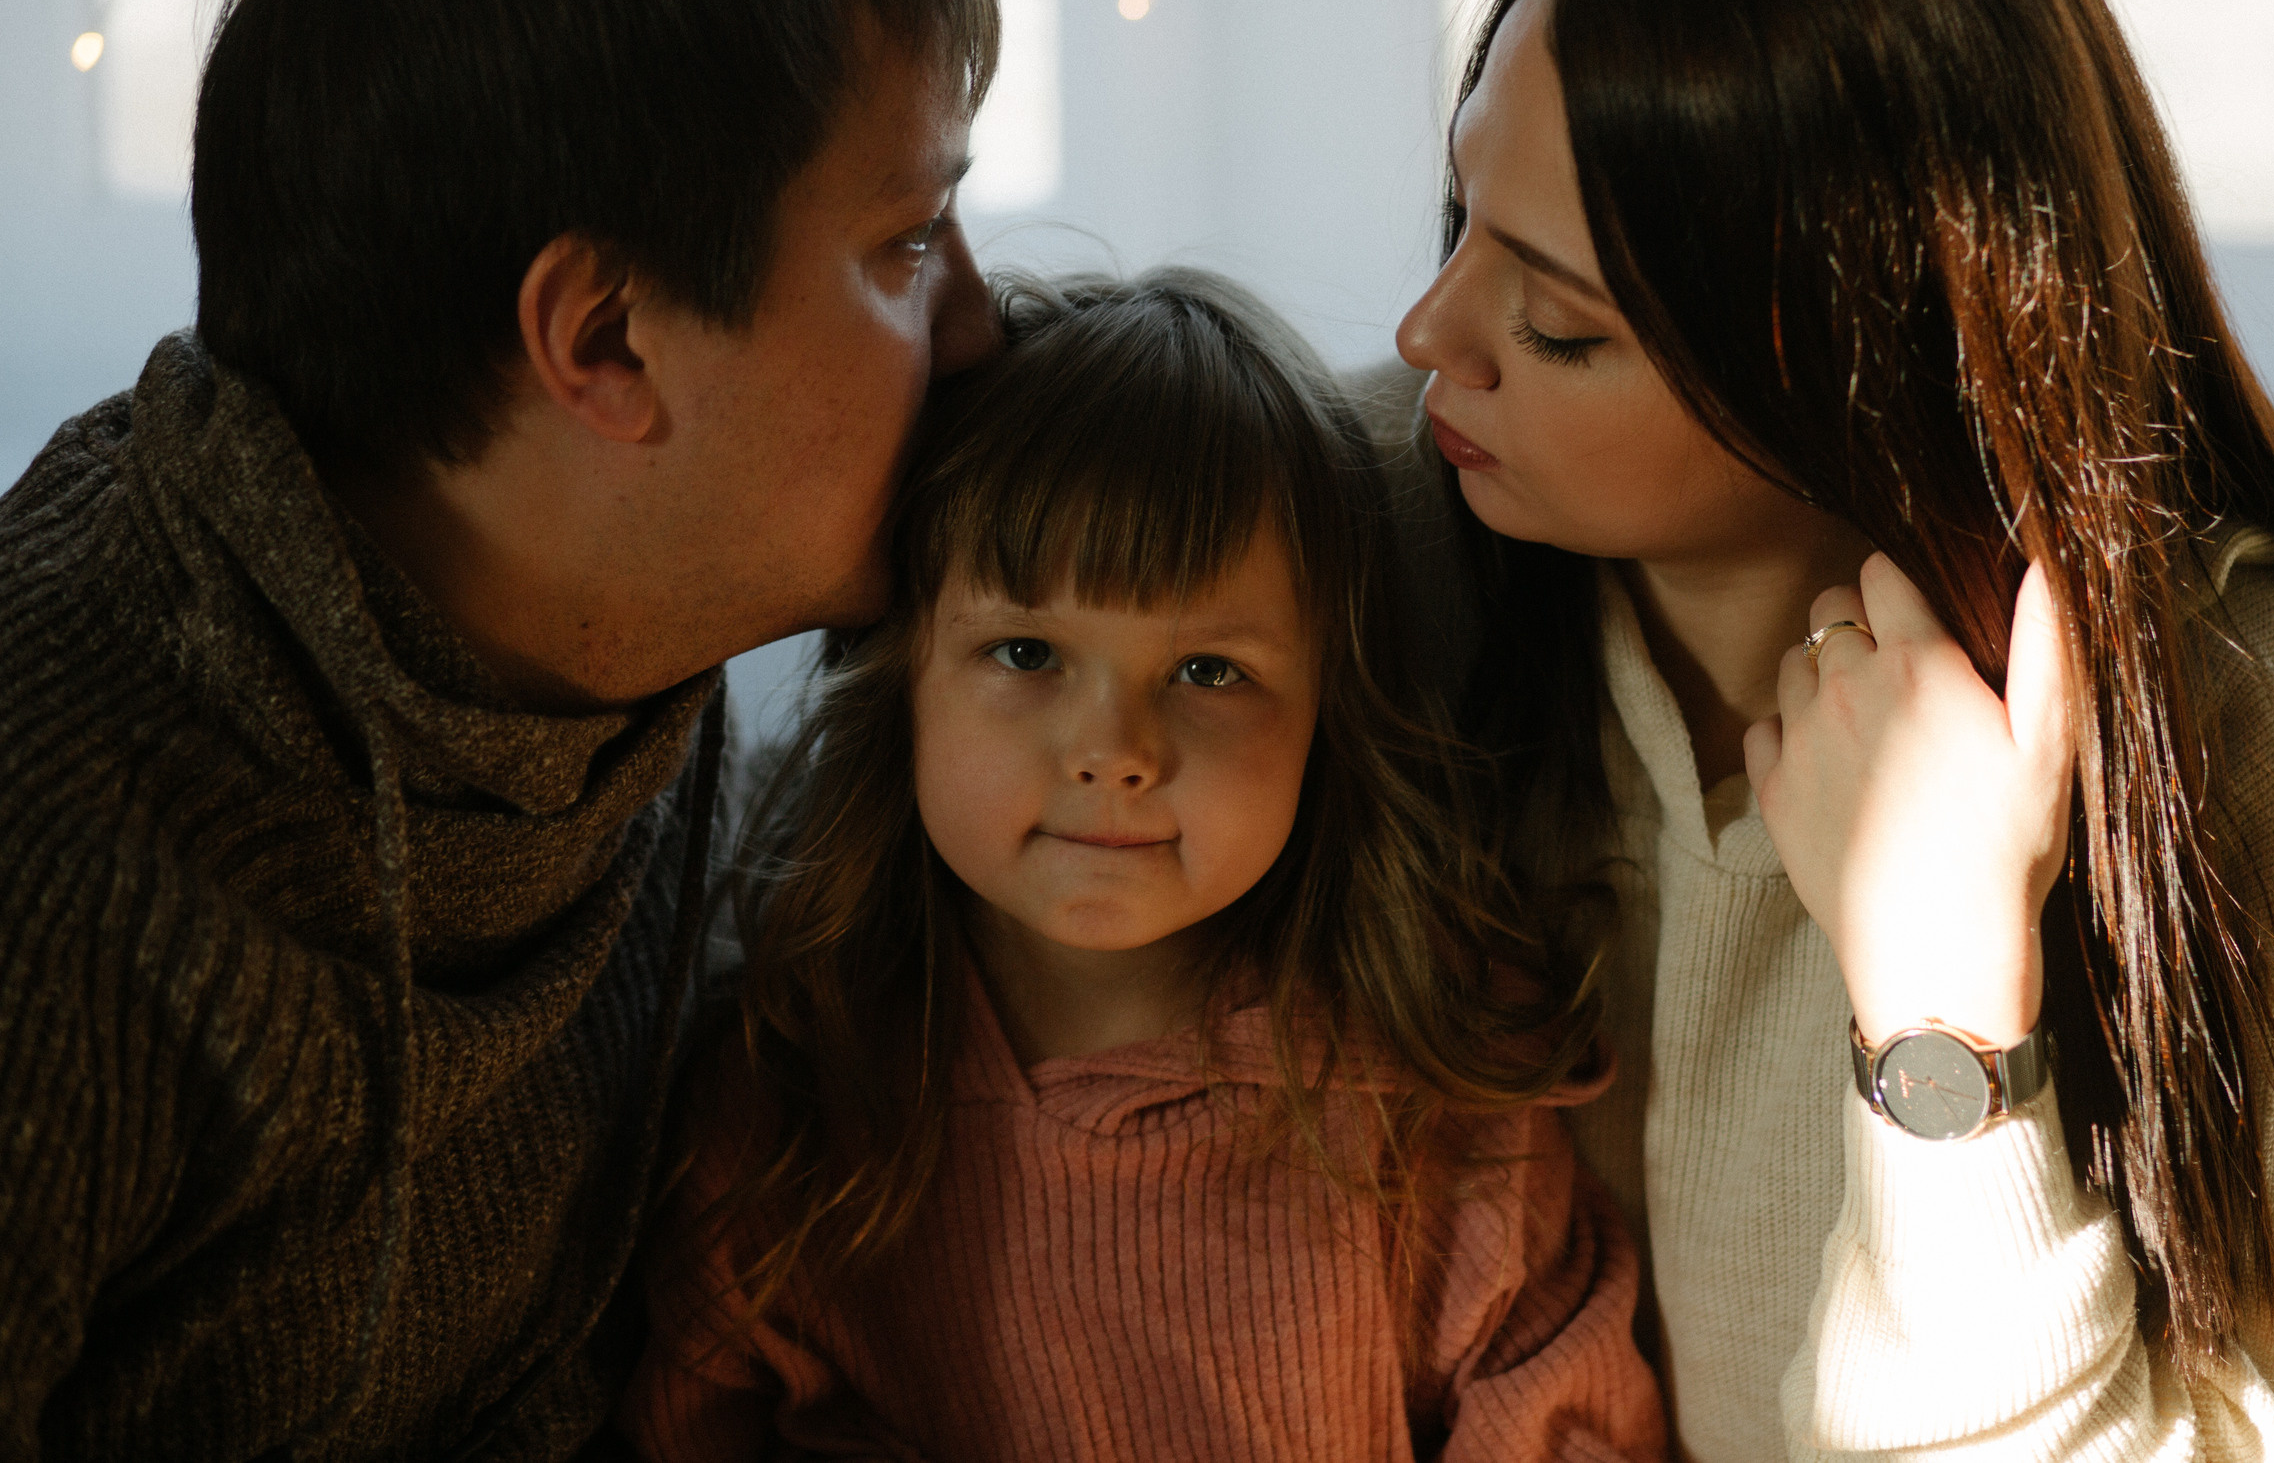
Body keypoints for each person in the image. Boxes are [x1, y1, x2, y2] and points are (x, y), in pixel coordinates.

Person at [1376, 0, 2274, 1459]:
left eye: (1557, 324)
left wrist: (1942, 992)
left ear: (1855, 364)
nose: (1427, 332)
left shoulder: (2224, 706)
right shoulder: (1389, 525)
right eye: (1456, 220)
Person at [0, 0, 997, 1455]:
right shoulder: (60, 875)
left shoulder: (607, 658)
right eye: (909, 241)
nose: (981, 325)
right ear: (606, 339)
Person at [620, 271, 1667, 1461]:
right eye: (1027, 652)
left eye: (1209, 671)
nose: (1115, 752)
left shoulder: (1441, 1107)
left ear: (1329, 711)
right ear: (902, 677)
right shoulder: (783, 1107)